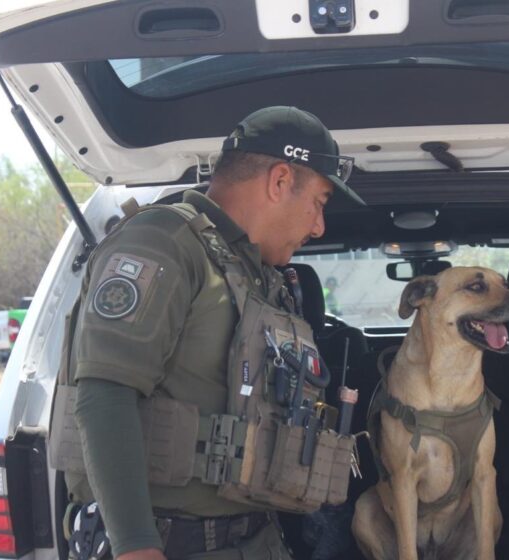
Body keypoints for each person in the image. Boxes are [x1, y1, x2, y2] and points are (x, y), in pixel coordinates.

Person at [64, 106, 363, 560]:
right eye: (319, 203)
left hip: (252, 538)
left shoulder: (258, 276)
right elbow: (105, 393)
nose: (319, 226)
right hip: (169, 544)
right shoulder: (163, 243)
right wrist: (135, 546)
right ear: (280, 181)